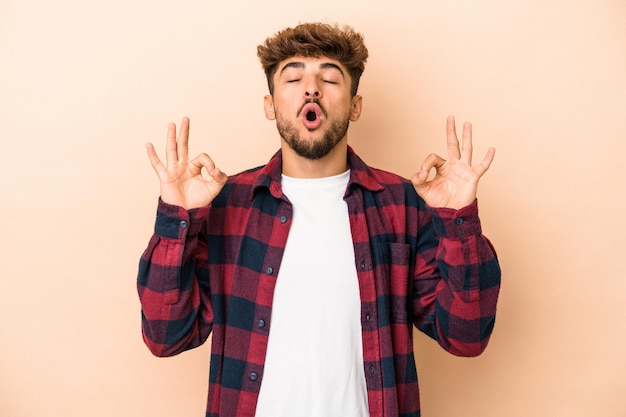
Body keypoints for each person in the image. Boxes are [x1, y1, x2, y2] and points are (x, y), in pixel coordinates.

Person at [137, 22, 501, 417]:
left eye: (330, 78)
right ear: (270, 105)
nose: (311, 88)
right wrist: (177, 220)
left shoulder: (403, 205)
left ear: (355, 106)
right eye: (293, 78)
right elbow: (165, 336)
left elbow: (466, 336)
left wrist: (459, 221)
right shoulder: (227, 205)